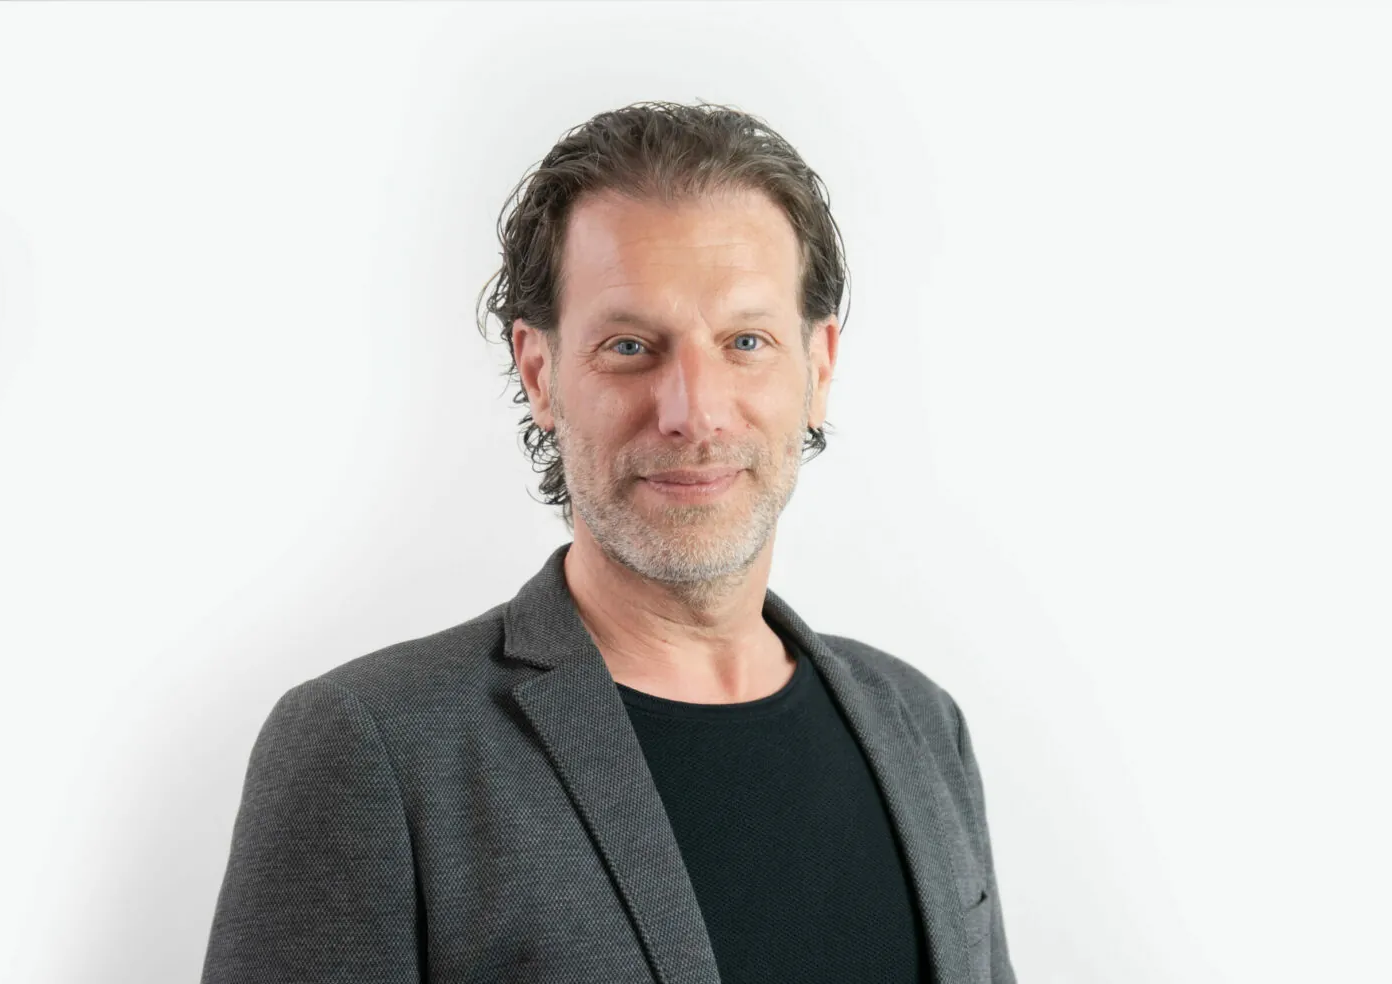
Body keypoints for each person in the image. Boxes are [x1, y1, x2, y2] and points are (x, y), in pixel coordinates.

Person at [201, 100, 1016, 984]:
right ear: (539, 373)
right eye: (630, 346)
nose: (693, 412)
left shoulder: (922, 725)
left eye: (746, 341)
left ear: (818, 368)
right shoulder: (376, 750)